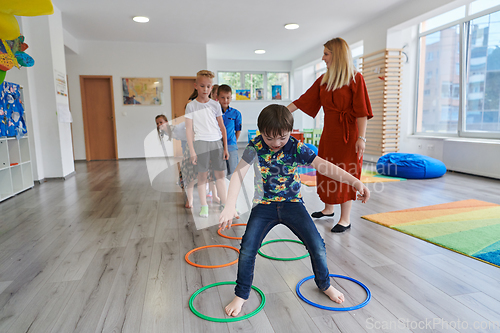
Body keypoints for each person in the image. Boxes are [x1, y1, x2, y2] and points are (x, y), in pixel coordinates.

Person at [219, 104, 370, 317]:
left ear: (290, 131)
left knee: (317, 244)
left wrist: (355, 182)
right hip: (264, 206)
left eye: (282, 138)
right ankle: (242, 294)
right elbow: (237, 174)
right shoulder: (254, 146)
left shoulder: (296, 147)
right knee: (247, 249)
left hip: (293, 204)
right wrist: (229, 204)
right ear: (260, 132)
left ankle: (324, 284)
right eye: (269, 138)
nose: (276, 144)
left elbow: (324, 166)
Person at [287, 37, 373, 233]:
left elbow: (362, 112)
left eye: (326, 54)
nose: (323, 58)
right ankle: (328, 209)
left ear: (337, 55)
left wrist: (362, 138)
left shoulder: (355, 78)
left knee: (346, 171)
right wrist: (281, 112)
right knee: (326, 170)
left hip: (348, 135)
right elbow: (303, 100)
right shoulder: (324, 80)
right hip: (329, 133)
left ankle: (345, 218)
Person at [185, 70, 229, 217]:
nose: (205, 89)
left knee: (220, 176)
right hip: (201, 143)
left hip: (216, 143)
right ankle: (204, 206)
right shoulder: (191, 106)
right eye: (202, 86)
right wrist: (192, 151)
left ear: (212, 88)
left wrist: (225, 148)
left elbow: (222, 128)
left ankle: (225, 203)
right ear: (196, 86)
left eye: (208, 86)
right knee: (202, 177)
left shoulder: (215, 105)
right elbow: (189, 130)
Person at [218, 84, 242, 177]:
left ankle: (232, 191)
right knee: (220, 172)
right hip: (218, 145)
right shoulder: (214, 113)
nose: (225, 100)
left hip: (231, 145)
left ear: (231, 98)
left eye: (228, 98)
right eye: (223, 98)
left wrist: (234, 141)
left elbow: (238, 130)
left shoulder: (236, 113)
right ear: (218, 97)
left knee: (233, 171)